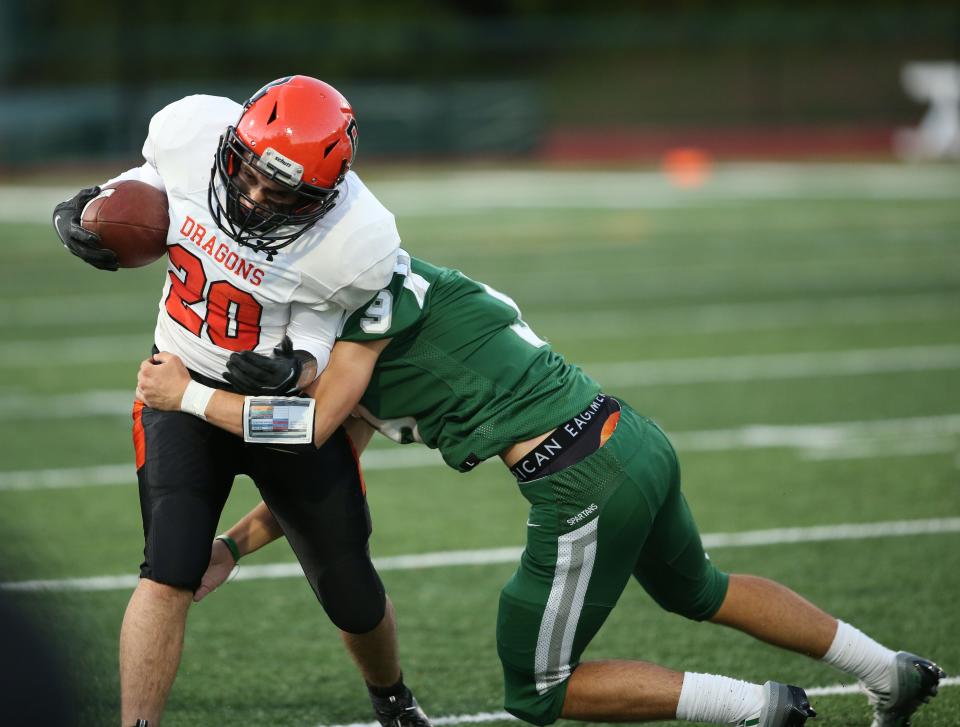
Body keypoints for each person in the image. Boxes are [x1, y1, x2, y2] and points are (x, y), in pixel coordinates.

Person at [135, 253, 945, 727]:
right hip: (631, 435)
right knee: (700, 586)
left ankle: (757, 709)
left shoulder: (362, 318)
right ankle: (887, 669)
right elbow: (327, 465)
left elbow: (304, 428)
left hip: (576, 475)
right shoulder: (415, 299)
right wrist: (234, 545)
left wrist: (192, 398)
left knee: (539, 688)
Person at [52, 75, 430, 727]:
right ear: (232, 144)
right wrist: (95, 211)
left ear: (323, 195)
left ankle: (391, 695)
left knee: (348, 584)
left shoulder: (359, 239)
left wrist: (297, 365)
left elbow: (320, 342)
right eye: (247, 172)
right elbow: (149, 188)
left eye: (280, 191)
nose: (253, 197)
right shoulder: (191, 130)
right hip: (177, 384)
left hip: (276, 413)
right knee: (168, 567)